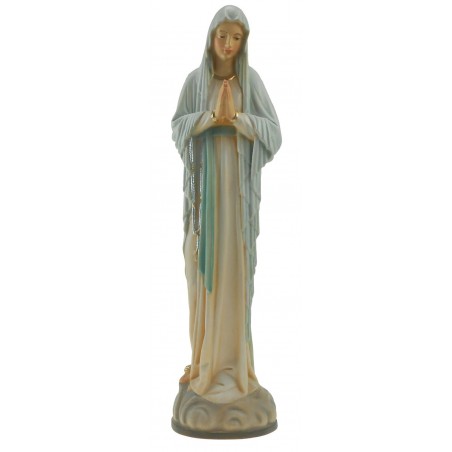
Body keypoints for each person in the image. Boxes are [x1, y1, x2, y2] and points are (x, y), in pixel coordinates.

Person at [171, 5, 281, 407]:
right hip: (205, 198)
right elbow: (177, 126)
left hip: (236, 200)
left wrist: (239, 120)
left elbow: (274, 133)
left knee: (234, 274)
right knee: (200, 273)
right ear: (211, 38)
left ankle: (234, 364)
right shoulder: (194, 82)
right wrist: (206, 119)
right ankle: (203, 360)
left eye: (236, 38)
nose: (229, 45)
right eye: (223, 36)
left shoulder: (252, 83)